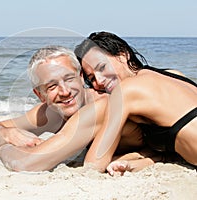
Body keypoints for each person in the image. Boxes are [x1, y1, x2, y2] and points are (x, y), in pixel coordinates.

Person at [0, 45, 145, 171]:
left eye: (69, 79)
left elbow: (25, 164)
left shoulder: (100, 106)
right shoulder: (49, 113)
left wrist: (3, 149)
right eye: (52, 86)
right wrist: (8, 133)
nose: (65, 92)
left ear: (81, 78)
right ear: (40, 95)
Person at [73, 31, 197, 175]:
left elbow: (94, 164)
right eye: (92, 78)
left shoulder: (126, 91)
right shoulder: (173, 74)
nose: (99, 81)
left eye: (102, 67)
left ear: (123, 55)